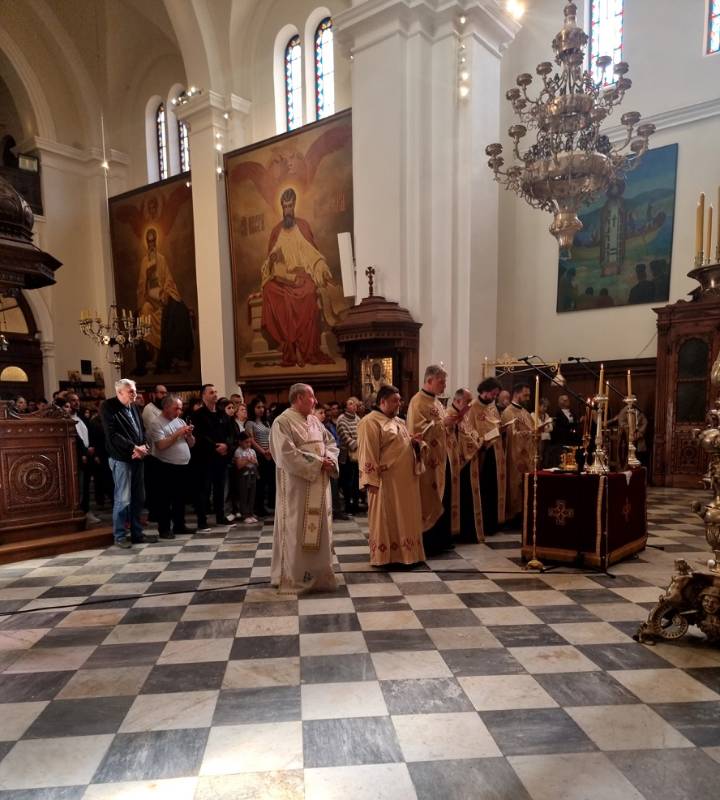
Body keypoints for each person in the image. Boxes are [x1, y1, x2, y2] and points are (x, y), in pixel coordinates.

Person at [260, 188, 347, 366]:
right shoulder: (276, 232)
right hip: (283, 279)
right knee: (269, 289)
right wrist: (272, 260)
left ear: (294, 206)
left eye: (290, 206)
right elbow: (268, 263)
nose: (287, 210)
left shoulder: (303, 227)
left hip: (301, 277)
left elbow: (313, 255)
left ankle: (304, 347)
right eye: (285, 207)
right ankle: (290, 344)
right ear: (282, 207)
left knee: (308, 293)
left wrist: (321, 268)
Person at [270, 382, 338, 593]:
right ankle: (295, 576)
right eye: (312, 397)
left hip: (319, 486)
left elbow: (330, 443)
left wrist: (329, 458)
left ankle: (319, 575)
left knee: (320, 530)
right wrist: (318, 463)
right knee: (297, 528)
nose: (315, 401)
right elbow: (286, 454)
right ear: (299, 398)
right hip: (297, 490)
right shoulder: (282, 422)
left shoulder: (315, 421)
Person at [358, 384, 426, 566]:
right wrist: (370, 481)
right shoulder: (370, 422)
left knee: (406, 518)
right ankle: (387, 557)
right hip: (386, 482)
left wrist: (414, 444)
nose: (399, 404)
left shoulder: (399, 422)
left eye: (400, 400)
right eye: (395, 401)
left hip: (406, 482)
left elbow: (402, 445)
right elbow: (367, 452)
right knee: (387, 518)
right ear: (382, 401)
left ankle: (408, 554)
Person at [407, 365, 469, 556]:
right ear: (429, 380)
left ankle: (442, 540)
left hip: (443, 459)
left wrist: (452, 424)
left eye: (444, 381)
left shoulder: (437, 402)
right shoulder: (417, 402)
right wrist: (444, 423)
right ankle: (430, 543)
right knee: (430, 500)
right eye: (441, 382)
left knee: (444, 497)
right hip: (429, 462)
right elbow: (417, 431)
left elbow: (441, 427)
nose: (444, 385)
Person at [100, 378, 158, 548]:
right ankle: (119, 536)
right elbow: (112, 434)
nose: (135, 394)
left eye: (135, 390)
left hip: (138, 457)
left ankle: (137, 534)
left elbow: (140, 430)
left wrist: (144, 446)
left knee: (139, 497)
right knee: (123, 499)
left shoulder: (133, 406)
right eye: (131, 391)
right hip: (121, 458)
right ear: (119, 392)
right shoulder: (108, 406)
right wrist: (133, 447)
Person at [147, 394, 195, 539]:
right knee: (165, 500)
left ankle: (180, 525)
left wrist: (189, 435)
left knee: (180, 498)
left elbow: (191, 444)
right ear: (166, 407)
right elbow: (161, 445)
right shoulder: (156, 423)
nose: (179, 411)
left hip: (182, 465)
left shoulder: (180, 421)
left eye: (180, 408)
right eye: (176, 408)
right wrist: (178, 433)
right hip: (165, 466)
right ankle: (164, 529)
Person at [466, 377, 507, 539]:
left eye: (496, 395)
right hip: (482, 454)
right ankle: (484, 525)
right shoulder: (472, 408)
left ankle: (494, 523)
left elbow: (495, 425)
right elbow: (469, 433)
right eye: (493, 394)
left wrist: (501, 430)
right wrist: (483, 440)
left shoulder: (492, 407)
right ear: (484, 390)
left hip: (496, 453)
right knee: (484, 489)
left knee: (494, 489)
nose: (494, 397)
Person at [190, 383, 234, 531]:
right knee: (204, 489)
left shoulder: (222, 414)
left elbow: (230, 433)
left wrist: (227, 446)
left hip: (221, 458)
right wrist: (216, 447)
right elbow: (200, 435)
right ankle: (202, 521)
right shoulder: (197, 415)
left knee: (220, 488)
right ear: (203, 396)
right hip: (205, 457)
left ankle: (221, 517)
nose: (215, 394)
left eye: (215, 392)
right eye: (211, 392)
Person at [445, 387, 481, 541]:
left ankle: (466, 532)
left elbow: (471, 432)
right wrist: (474, 443)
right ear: (458, 401)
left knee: (466, 499)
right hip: (457, 465)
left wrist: (478, 439)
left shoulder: (463, 416)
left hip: (467, 463)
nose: (470, 405)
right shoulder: (449, 415)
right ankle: (457, 533)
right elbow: (450, 440)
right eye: (468, 401)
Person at [501, 383, 536, 523]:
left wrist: (535, 433)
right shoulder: (508, 412)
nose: (528, 398)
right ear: (516, 394)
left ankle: (524, 513)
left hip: (528, 457)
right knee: (515, 485)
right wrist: (529, 434)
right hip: (515, 456)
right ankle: (514, 515)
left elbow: (533, 430)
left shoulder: (525, 412)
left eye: (528, 395)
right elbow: (511, 436)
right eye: (525, 395)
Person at [67, 392, 101, 524]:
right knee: (78, 487)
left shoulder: (82, 417)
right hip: (77, 457)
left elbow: (90, 434)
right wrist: (84, 451)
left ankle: (86, 511)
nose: (76, 402)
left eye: (77, 400)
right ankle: (80, 512)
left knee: (86, 486)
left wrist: (92, 448)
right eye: (73, 400)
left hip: (88, 455)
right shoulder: (66, 420)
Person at [318, 402, 349, 521]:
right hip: (322, 461)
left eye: (324, 413)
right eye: (321, 413)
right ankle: (331, 511)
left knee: (334, 487)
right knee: (330, 488)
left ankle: (336, 510)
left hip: (331, 459)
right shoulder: (321, 426)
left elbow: (333, 441)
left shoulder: (326, 426)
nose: (324, 415)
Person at [246, 397, 275, 517]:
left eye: (262, 407)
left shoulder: (266, 422)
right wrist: (263, 452)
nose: (261, 409)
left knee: (270, 481)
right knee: (260, 483)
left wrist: (270, 450)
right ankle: (259, 507)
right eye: (258, 407)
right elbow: (251, 440)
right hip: (259, 455)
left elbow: (271, 437)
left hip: (270, 454)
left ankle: (268, 505)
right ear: (253, 409)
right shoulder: (250, 423)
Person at [337, 396, 361, 515]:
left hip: (358, 454)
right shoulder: (341, 420)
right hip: (346, 456)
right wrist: (359, 442)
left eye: (355, 403)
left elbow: (362, 433)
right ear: (346, 407)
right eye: (350, 403)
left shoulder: (357, 418)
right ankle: (348, 505)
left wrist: (361, 441)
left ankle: (356, 504)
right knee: (348, 482)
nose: (354, 405)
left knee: (357, 481)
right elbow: (347, 439)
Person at [231, 431, 259, 523]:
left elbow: (256, 462)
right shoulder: (238, 451)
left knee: (252, 495)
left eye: (250, 442)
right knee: (244, 496)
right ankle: (245, 514)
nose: (248, 444)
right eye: (246, 442)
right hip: (243, 476)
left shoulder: (252, 451)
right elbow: (239, 465)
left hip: (252, 474)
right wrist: (248, 460)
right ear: (240, 442)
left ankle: (251, 513)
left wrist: (250, 460)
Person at [531, 397, 553, 468]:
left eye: (546, 407)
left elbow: (551, 428)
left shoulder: (546, 415)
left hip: (546, 439)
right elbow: (536, 428)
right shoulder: (533, 415)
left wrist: (543, 427)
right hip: (537, 439)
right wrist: (545, 425)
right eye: (544, 406)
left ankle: (545, 464)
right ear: (538, 406)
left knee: (546, 455)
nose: (545, 409)